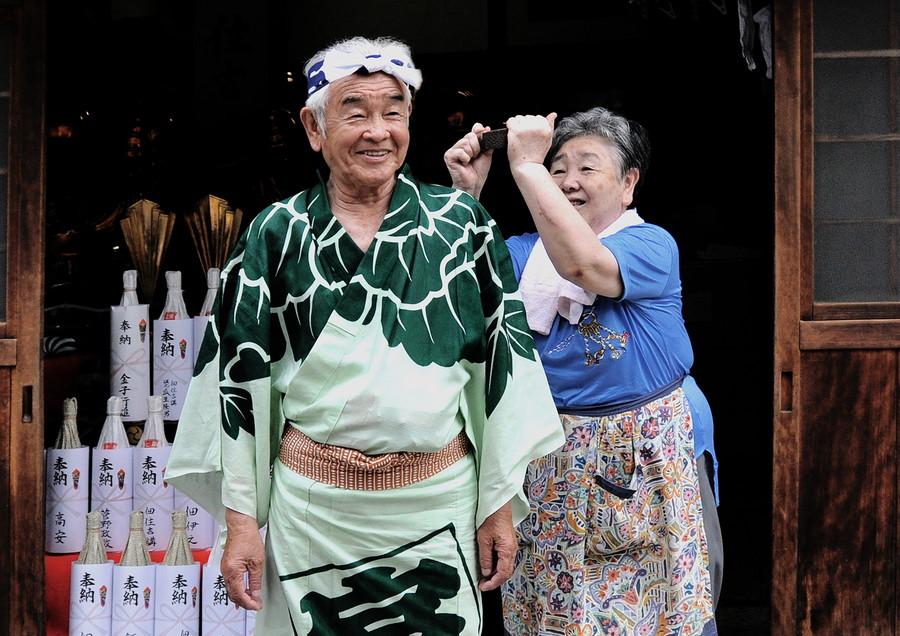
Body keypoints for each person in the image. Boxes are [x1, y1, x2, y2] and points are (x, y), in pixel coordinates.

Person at [165, 36, 564, 634]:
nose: (377, 131)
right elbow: (235, 385)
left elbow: (502, 372)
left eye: (393, 112)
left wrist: (498, 507)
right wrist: (242, 523)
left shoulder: (463, 226)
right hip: (313, 515)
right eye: (355, 111)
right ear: (313, 127)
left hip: (437, 505)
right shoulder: (277, 232)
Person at [445, 108, 721, 635]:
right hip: (549, 455)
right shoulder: (522, 253)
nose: (568, 180)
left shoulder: (651, 244)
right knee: (559, 609)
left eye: (587, 168)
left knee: (664, 607)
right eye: (557, 167)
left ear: (628, 183)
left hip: (651, 454)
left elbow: (584, 266)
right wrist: (466, 196)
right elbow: (449, 298)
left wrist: (525, 167)